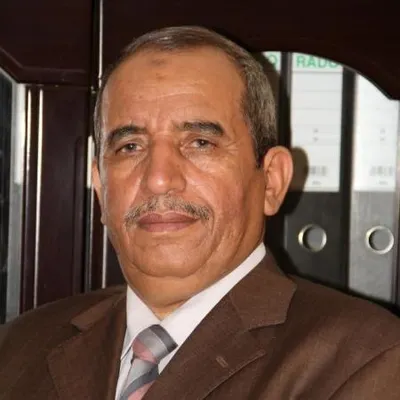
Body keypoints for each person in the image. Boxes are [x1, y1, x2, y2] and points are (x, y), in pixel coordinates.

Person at [1, 26, 400, 400]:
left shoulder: (367, 359)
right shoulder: (17, 347)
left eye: (200, 143)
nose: (158, 179)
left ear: (272, 181)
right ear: (102, 189)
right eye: (130, 147)